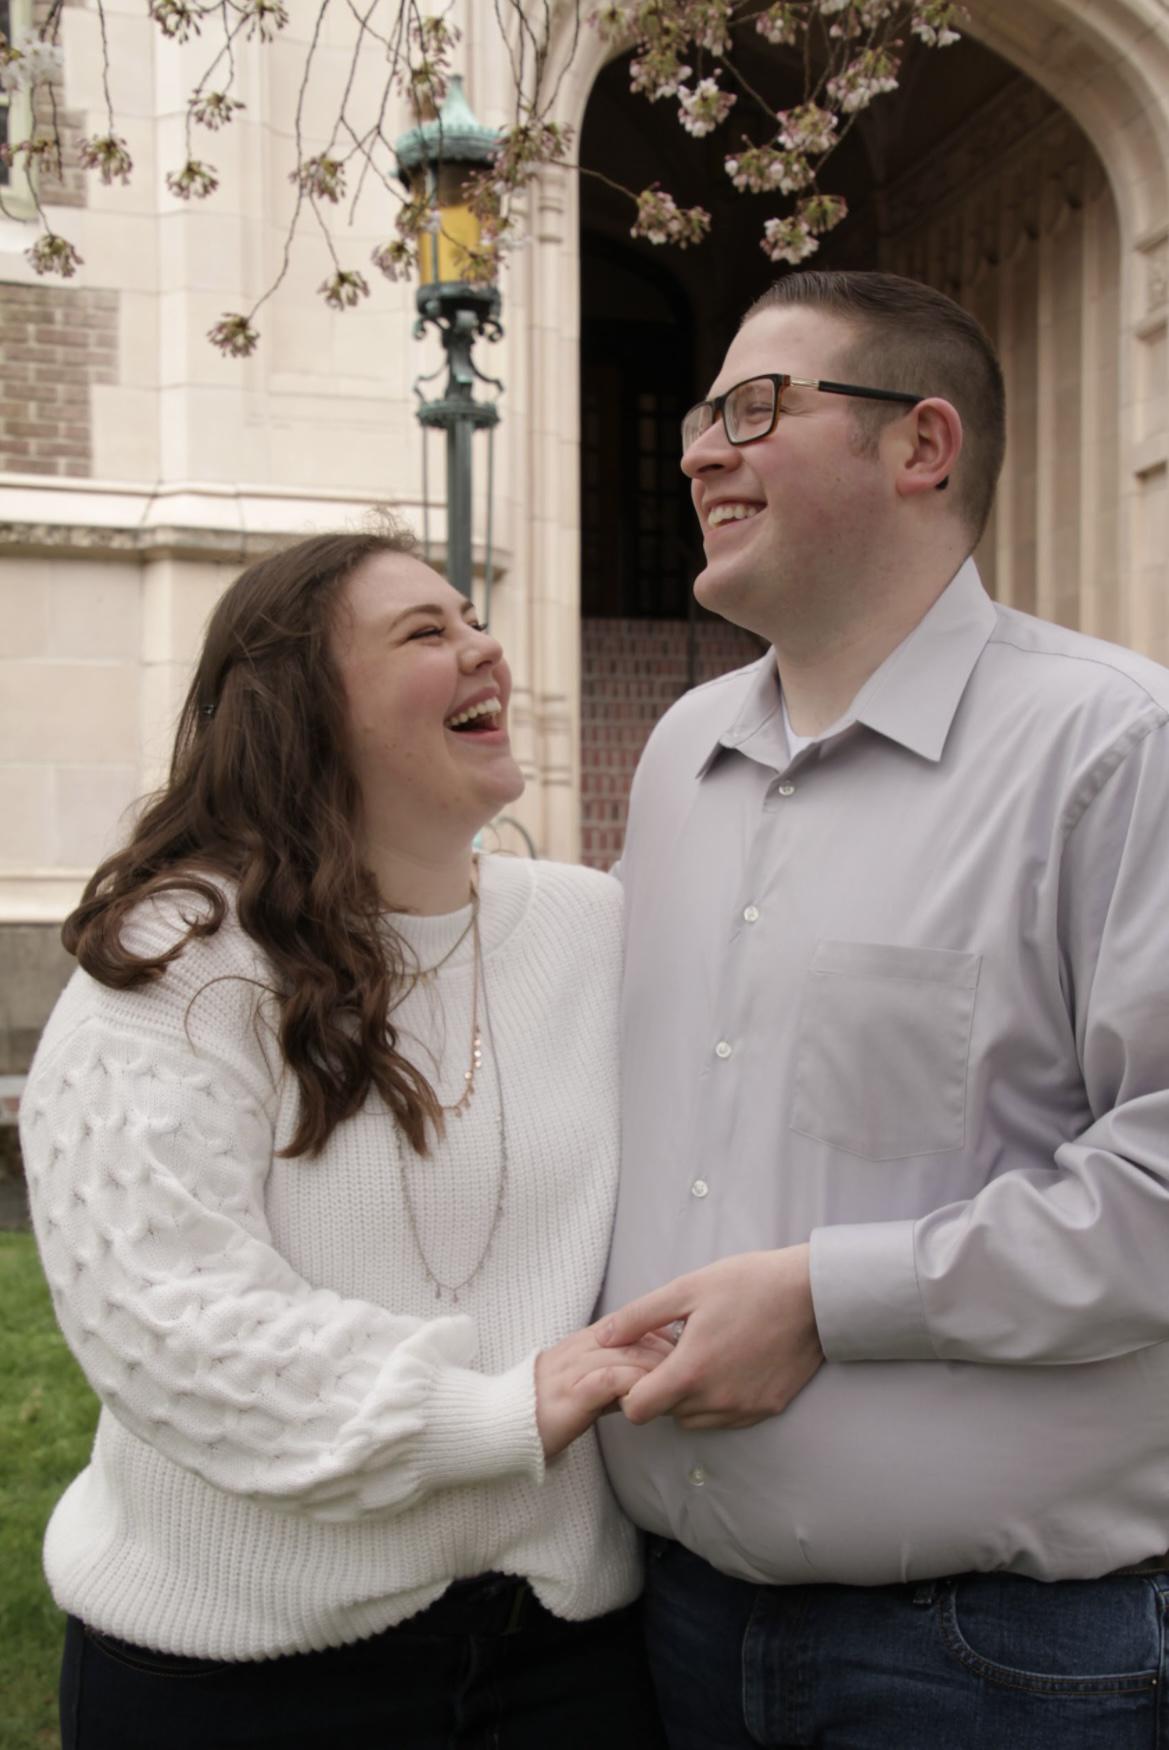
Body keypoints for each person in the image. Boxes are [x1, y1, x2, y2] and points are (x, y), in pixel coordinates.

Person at [597, 270, 1169, 1748]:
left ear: (920, 446)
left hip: (997, 1664)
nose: (697, 450)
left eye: (752, 408)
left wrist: (824, 1299)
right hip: (672, 1620)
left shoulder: (1117, 749)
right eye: (698, 420)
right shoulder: (676, 758)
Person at [20, 526, 667, 1750]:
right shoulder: (179, 965)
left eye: (472, 616)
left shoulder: (592, 929)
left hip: (569, 1660)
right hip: (241, 1678)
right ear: (303, 709)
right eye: (426, 632)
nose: (485, 646)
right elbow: (161, 1316)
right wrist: (489, 1410)